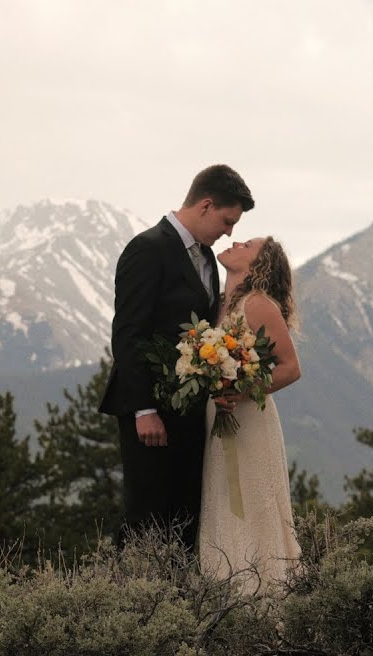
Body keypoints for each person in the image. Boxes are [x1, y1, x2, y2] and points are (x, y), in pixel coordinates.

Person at [100, 164, 255, 552]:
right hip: (150, 410)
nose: (229, 232)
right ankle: (125, 602)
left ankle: (181, 607)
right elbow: (128, 333)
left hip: (189, 408)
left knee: (184, 517)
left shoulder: (205, 259)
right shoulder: (147, 248)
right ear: (205, 205)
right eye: (226, 220)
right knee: (146, 515)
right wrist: (143, 410)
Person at [197, 236, 302, 594]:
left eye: (247, 244)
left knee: (252, 506)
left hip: (249, 420)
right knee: (221, 502)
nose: (235, 240)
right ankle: (224, 592)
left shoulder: (257, 305)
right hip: (217, 418)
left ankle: (262, 596)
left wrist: (240, 391)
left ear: (259, 265)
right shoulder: (220, 304)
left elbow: (290, 368)